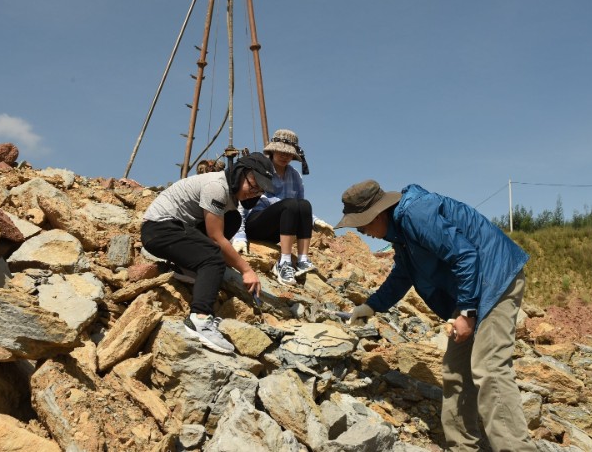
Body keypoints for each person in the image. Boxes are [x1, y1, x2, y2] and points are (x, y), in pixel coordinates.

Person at [336, 180, 537, 451]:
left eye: (362, 224)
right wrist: (371, 306)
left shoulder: (416, 215)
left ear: (378, 213)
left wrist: (466, 312)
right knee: (456, 371)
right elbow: (403, 274)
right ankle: (463, 446)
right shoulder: (401, 231)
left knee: (489, 368)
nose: (362, 231)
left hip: (494, 280)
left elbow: (466, 256)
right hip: (472, 287)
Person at [140, 153, 275, 354]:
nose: (254, 193)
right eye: (253, 186)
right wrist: (246, 270)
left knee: (232, 219)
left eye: (260, 191)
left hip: (177, 228)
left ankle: (186, 267)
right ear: (240, 173)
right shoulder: (217, 186)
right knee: (213, 257)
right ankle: (200, 319)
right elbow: (215, 238)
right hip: (159, 230)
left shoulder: (230, 194)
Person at [232, 129, 333, 285]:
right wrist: (239, 236)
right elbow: (242, 204)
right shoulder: (261, 169)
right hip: (257, 222)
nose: (285, 156)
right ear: (273, 150)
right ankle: (284, 262)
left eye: (289, 153)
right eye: (281, 152)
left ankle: (302, 259)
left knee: (304, 204)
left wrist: (316, 222)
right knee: (290, 204)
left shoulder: (295, 175)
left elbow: (300, 206)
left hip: (279, 229)